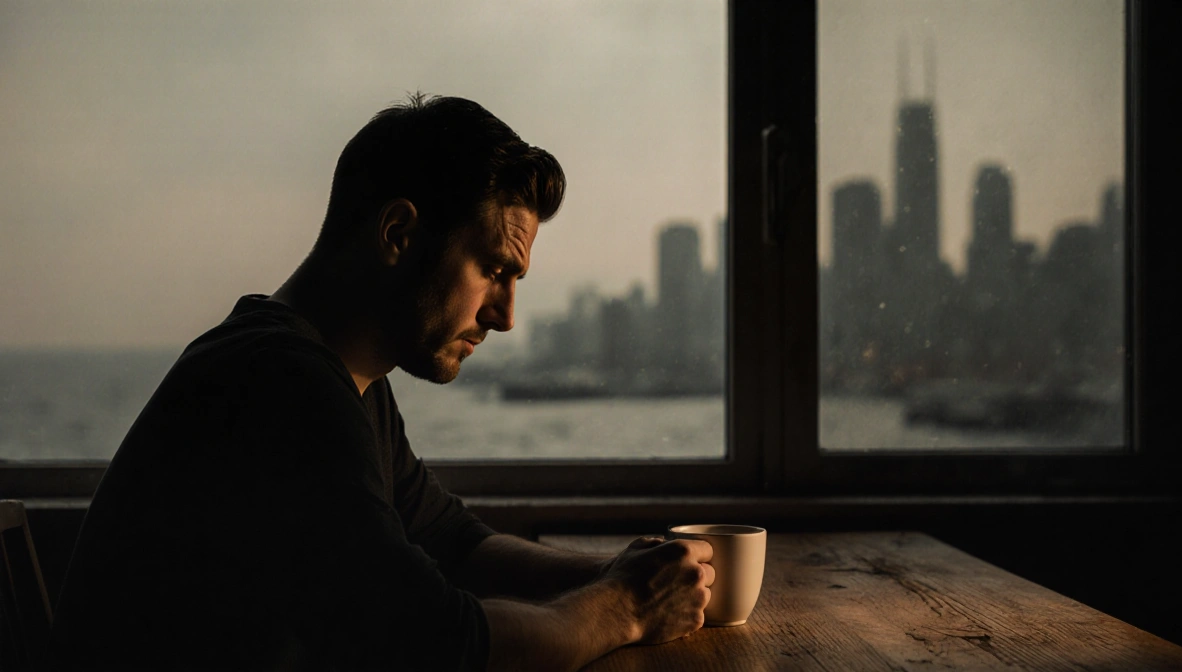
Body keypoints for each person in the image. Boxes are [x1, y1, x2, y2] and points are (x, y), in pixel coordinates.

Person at [46, 94, 715, 671]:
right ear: (398, 233)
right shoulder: (279, 385)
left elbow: (455, 544)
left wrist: (621, 573)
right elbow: (435, 644)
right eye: (492, 270)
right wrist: (625, 606)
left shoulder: (344, 378)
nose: (505, 317)